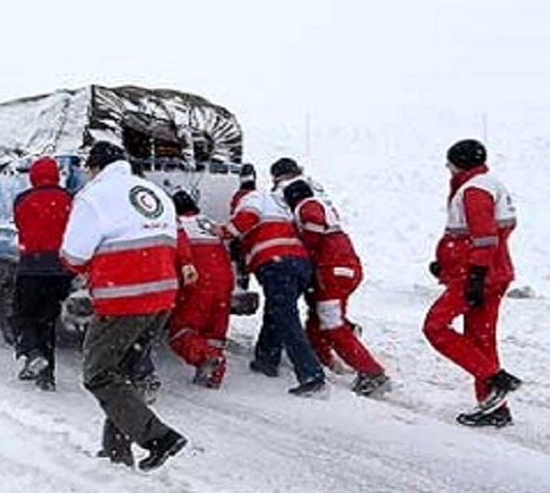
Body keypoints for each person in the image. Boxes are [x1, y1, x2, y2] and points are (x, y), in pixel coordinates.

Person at [60, 141, 187, 471]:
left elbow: (74, 254)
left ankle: (159, 438)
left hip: (124, 298)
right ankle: (116, 454)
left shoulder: (94, 196)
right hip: (162, 296)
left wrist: (82, 266)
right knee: (124, 378)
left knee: (98, 374)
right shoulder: (154, 193)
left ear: (95, 167)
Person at [423, 139, 522, 427]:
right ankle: (494, 407)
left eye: (449, 162)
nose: (447, 168)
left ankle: (494, 379)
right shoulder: (488, 184)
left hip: (478, 275)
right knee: (481, 339)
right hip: (492, 272)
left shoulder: (474, 190)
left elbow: (484, 238)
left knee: (435, 326)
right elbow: (479, 237)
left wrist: (476, 275)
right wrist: (446, 264)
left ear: (458, 163)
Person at [224, 161, 326, 396]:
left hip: (276, 263)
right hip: (300, 264)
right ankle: (266, 359)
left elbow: (246, 218)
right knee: (277, 310)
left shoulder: (251, 199)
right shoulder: (283, 204)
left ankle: (312, 375)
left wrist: (223, 231)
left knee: (285, 316)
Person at [281, 178, 390, 397]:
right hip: (344, 268)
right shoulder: (325, 207)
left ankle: (372, 373)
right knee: (317, 322)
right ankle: (323, 360)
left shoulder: (307, 206)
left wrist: (300, 248)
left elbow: (312, 230)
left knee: (331, 324)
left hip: (331, 271)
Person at [11, 156, 74, 391]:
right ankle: (46, 376)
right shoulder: (70, 199)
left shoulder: (23, 199)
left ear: (33, 176)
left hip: (31, 267)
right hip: (61, 269)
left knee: (22, 316)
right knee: (47, 321)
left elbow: (20, 226)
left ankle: (32, 352)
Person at [167, 190, 235, 389]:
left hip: (199, 283)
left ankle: (207, 359)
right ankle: (212, 376)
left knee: (181, 332)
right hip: (224, 281)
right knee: (214, 334)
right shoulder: (208, 223)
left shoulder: (177, 226)